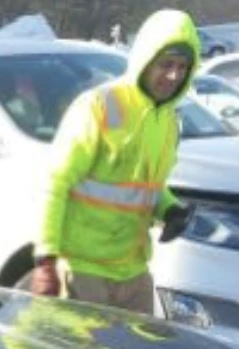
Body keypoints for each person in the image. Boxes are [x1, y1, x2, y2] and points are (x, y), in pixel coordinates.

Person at [31, 9, 199, 314]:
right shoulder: (100, 106)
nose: (174, 76)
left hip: (133, 273)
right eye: (166, 64)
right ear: (146, 59)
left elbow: (147, 186)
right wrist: (46, 262)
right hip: (83, 272)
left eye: (183, 67)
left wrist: (169, 208)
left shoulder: (168, 122)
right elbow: (55, 182)